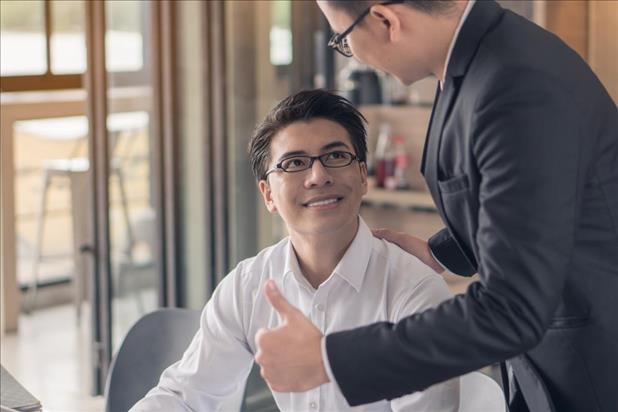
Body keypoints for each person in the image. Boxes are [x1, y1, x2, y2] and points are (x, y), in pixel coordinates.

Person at [254, 1, 618, 411]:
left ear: (385, 20)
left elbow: (511, 310)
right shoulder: (474, 60)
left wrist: (329, 360)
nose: (352, 54)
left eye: (343, 39)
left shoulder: (517, 85)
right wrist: (443, 251)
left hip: (595, 373)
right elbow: (529, 203)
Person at [131, 89, 460, 411]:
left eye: (335, 156)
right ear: (268, 194)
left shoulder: (413, 290)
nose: (318, 176)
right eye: (294, 162)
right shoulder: (249, 285)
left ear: (363, 176)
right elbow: (186, 396)